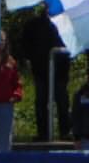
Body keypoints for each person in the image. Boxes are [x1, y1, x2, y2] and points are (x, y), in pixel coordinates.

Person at [20, 8, 70, 141]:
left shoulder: (64, 21)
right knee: (41, 102)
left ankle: (65, 132)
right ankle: (43, 134)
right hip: (40, 71)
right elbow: (25, 44)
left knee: (62, 101)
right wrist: (29, 59)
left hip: (60, 71)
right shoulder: (33, 24)